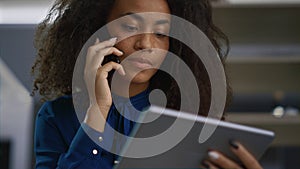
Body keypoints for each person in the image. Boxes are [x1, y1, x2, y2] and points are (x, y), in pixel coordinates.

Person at [32, 0, 263, 168]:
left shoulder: (190, 117)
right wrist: (98, 109)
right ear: (95, 31)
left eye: (161, 33)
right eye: (131, 27)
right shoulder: (56, 116)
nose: (146, 44)